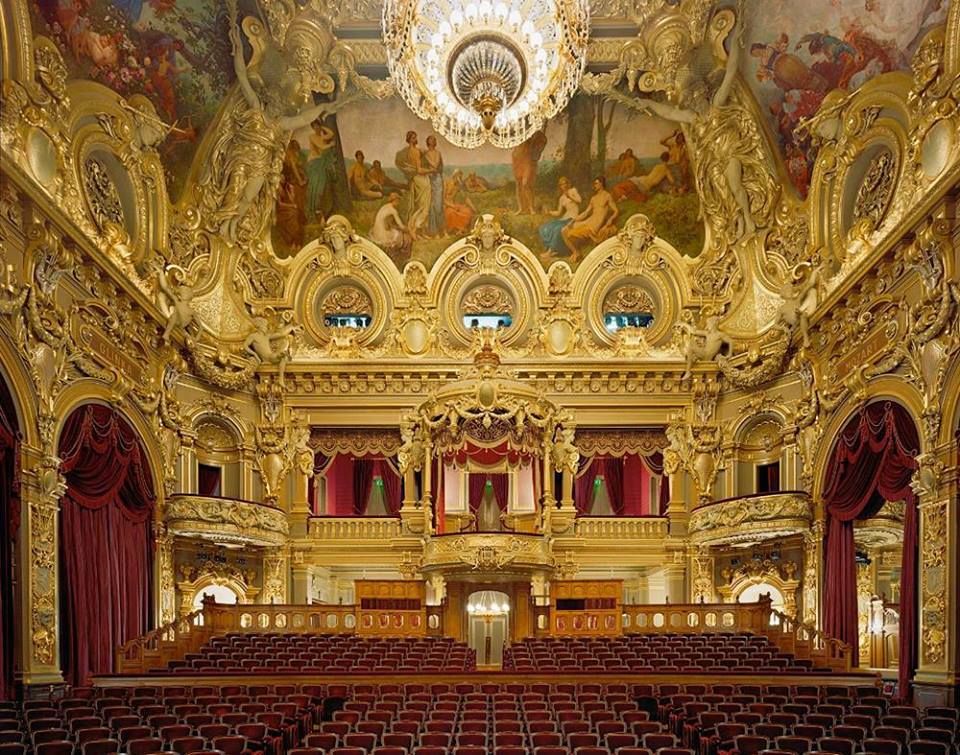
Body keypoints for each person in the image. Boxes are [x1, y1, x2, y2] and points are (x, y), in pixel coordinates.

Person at [561, 176, 619, 259]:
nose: (594, 185)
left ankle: (577, 253)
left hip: (594, 226)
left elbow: (616, 210)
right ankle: (575, 252)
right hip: (588, 221)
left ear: (601, 184)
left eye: (596, 183)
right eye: (594, 184)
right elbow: (585, 213)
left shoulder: (607, 196)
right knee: (564, 230)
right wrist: (574, 219)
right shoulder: (593, 198)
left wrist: (611, 219)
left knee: (570, 232)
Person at [394, 130, 431, 240]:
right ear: (410, 139)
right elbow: (419, 169)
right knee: (424, 207)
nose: (416, 139)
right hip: (421, 180)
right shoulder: (415, 151)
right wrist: (430, 170)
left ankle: (420, 231)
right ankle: (414, 230)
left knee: (420, 205)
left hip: (416, 179)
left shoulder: (410, 151)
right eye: (414, 137)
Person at [304, 120, 338, 224]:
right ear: (313, 128)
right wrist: (331, 144)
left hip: (321, 163)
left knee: (323, 186)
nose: (317, 128)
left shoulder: (322, 136)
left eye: (318, 126)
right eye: (314, 127)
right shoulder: (312, 137)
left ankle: (323, 211)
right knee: (317, 187)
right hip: (314, 163)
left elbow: (331, 134)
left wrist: (323, 127)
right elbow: (322, 147)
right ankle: (314, 210)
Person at [538, 176, 582, 254]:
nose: (564, 186)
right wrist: (549, 212)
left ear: (568, 184)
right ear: (560, 186)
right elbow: (559, 213)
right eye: (561, 184)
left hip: (573, 218)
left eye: (565, 183)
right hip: (564, 218)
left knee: (557, 229)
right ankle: (553, 249)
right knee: (546, 227)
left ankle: (550, 252)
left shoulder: (573, 191)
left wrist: (570, 197)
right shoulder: (561, 198)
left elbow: (579, 201)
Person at [611, 153, 676, 201]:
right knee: (622, 189)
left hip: (639, 181)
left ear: (661, 159)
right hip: (642, 185)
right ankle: (622, 196)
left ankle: (621, 196)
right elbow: (672, 181)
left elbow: (652, 176)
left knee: (618, 188)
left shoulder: (657, 166)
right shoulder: (666, 170)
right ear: (669, 159)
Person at [511, 129, 547, 214]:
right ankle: (521, 208)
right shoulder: (517, 130)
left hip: (528, 159)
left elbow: (542, 139)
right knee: (519, 184)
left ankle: (531, 207)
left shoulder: (532, 130)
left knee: (526, 183)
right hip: (517, 157)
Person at [370, 193, 411, 258]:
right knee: (400, 235)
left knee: (395, 230)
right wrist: (409, 230)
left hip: (376, 232)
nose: (398, 203)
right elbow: (401, 226)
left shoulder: (384, 206)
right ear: (395, 201)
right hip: (382, 235)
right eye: (398, 201)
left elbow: (387, 222)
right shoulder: (393, 210)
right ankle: (399, 253)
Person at [424, 135, 445, 236]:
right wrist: (431, 171)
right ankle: (434, 231)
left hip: (437, 179)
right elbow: (426, 167)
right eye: (431, 140)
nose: (433, 141)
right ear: (428, 142)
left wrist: (435, 170)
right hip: (429, 180)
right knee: (431, 206)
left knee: (439, 205)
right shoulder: (426, 154)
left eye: (434, 140)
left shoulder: (438, 153)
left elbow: (438, 166)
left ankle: (442, 230)